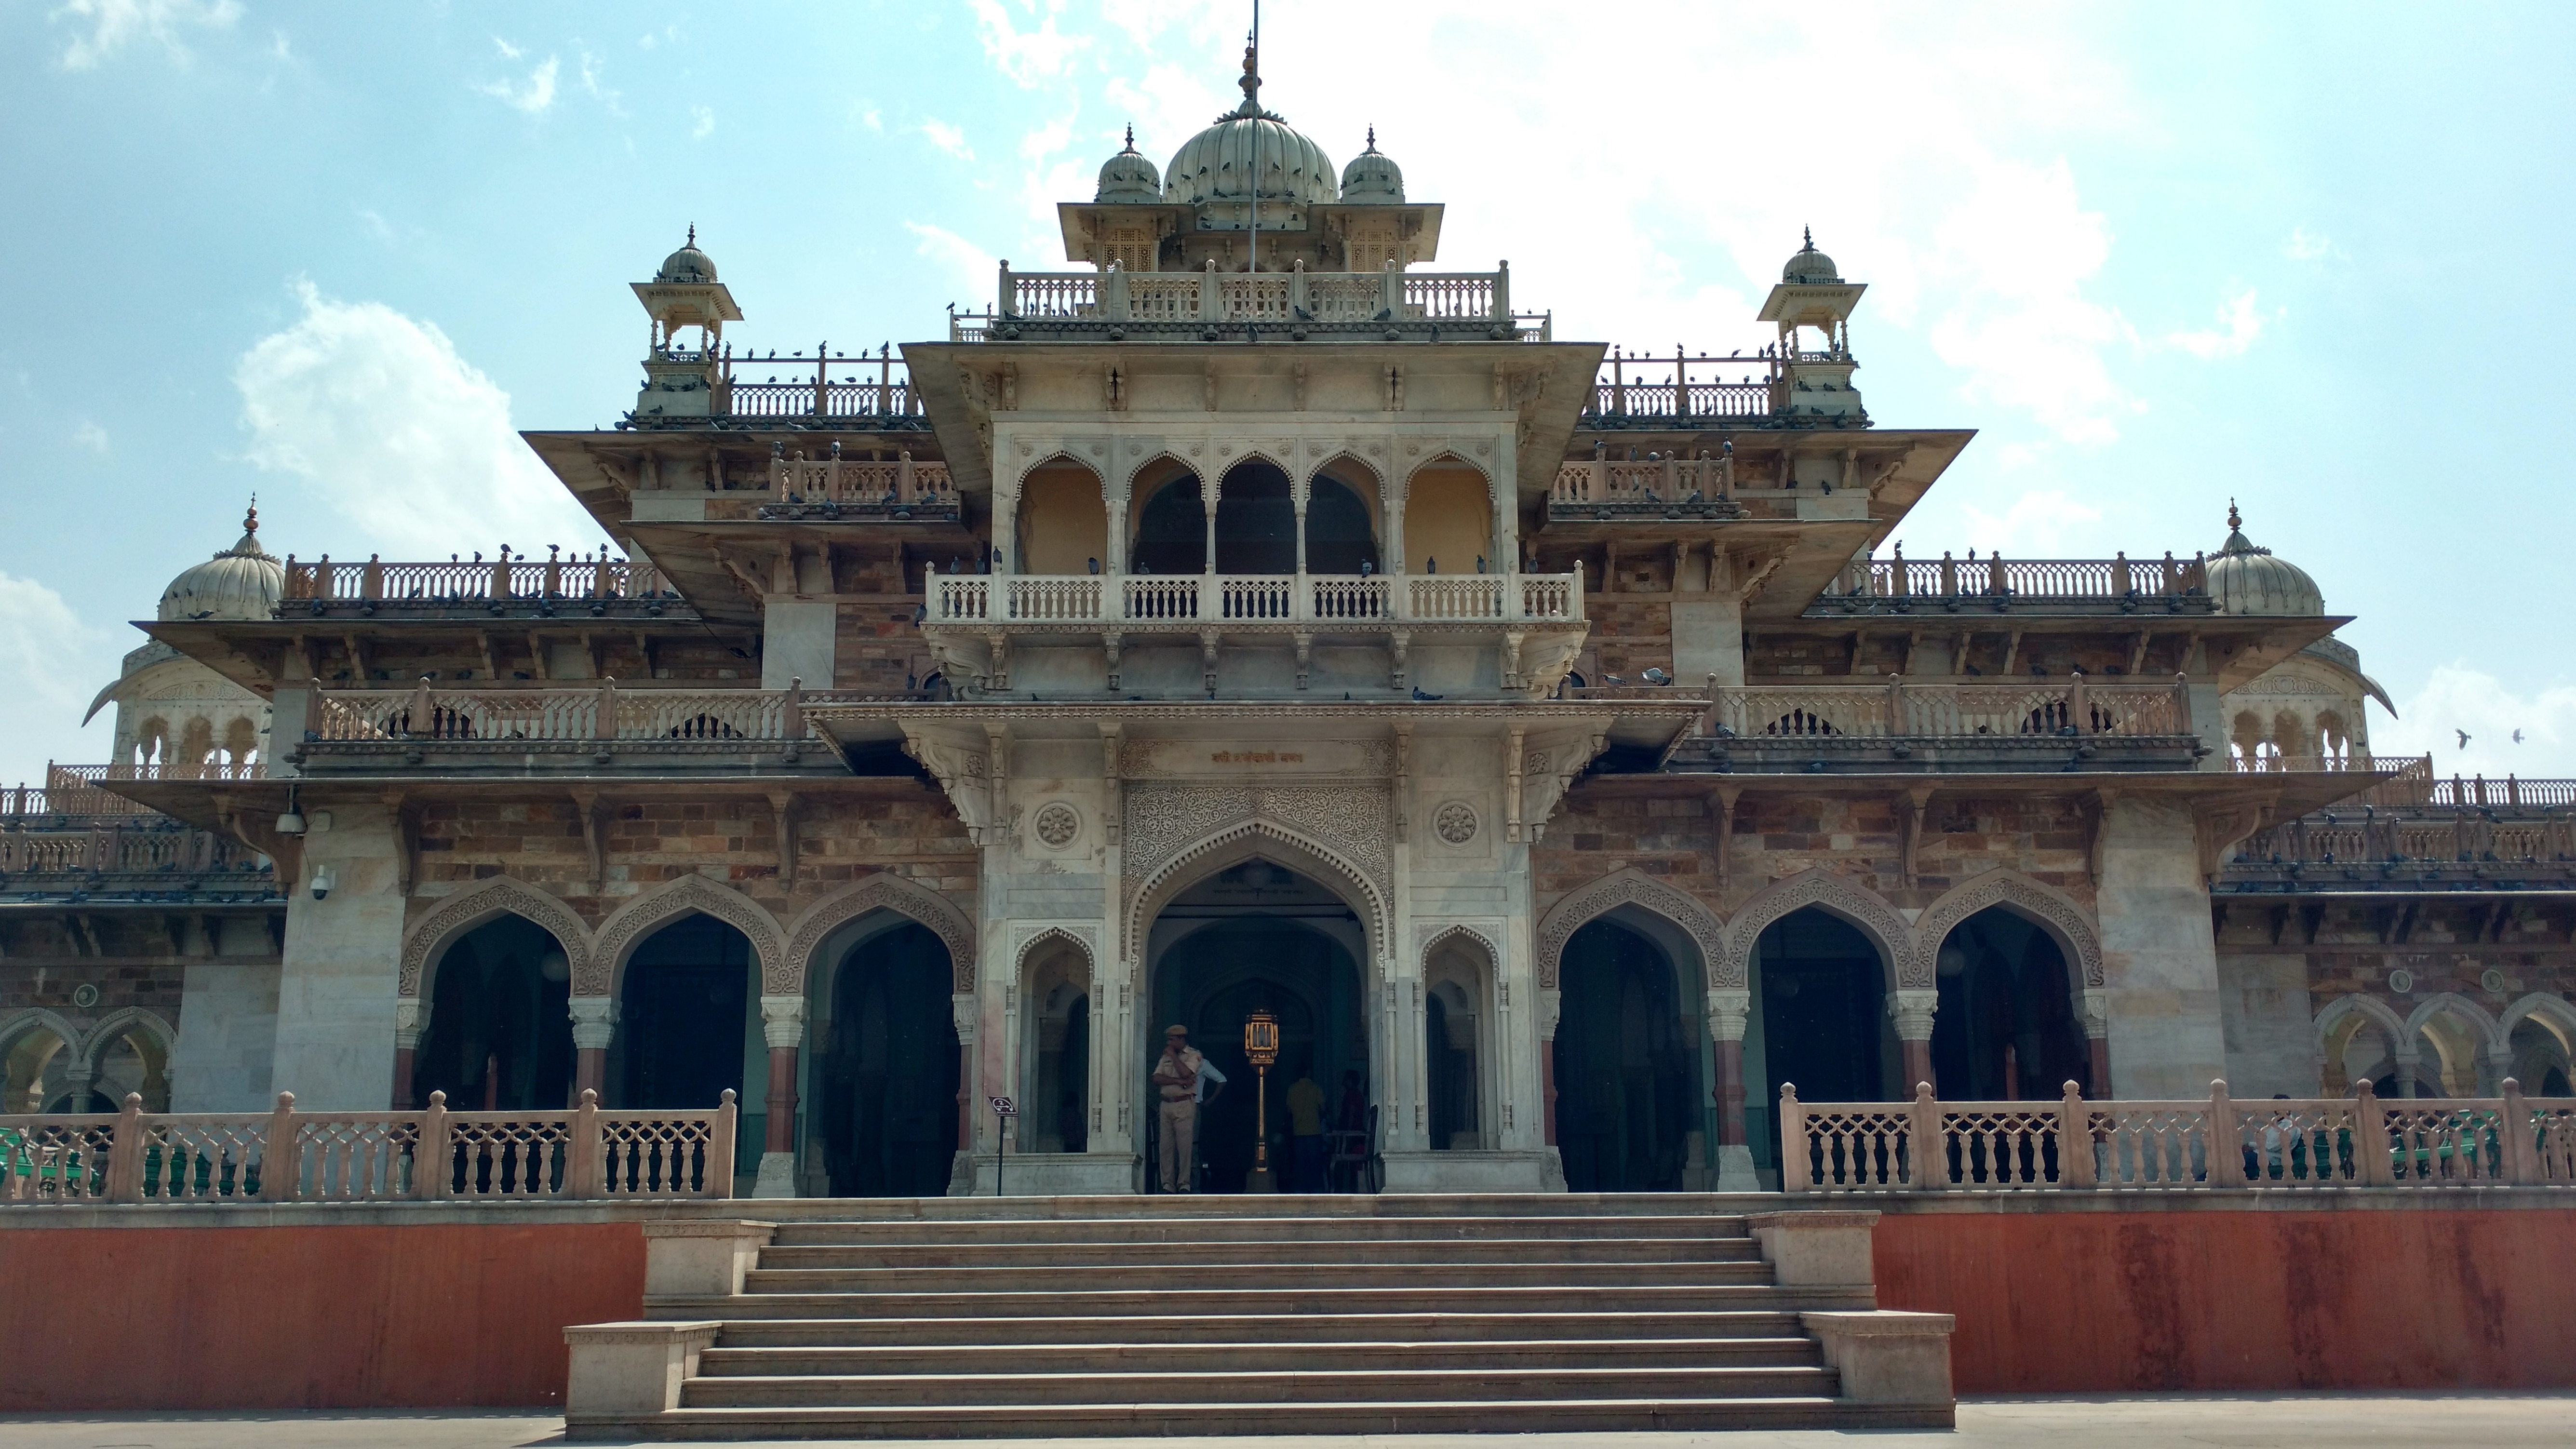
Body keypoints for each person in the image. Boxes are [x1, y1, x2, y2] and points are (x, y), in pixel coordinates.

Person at [1150, 1024, 1225, 1192]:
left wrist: (1174, 1059)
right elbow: (1157, 1078)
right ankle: (1167, 1184)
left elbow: (1186, 1073)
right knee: (1166, 1147)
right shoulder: (1166, 1057)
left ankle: (1184, 1183)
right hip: (1167, 1104)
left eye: (1172, 1040)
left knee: (1185, 1147)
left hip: (1185, 1104)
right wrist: (1178, 1082)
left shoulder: (1194, 1055)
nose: (1169, 1043)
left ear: (1181, 1040)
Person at [1285, 1067, 1327, 1193]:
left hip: (1298, 1131)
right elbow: (1323, 1109)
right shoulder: (1315, 1088)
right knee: (1314, 1163)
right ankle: (1315, 1189)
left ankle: (1300, 1189)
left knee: (1299, 1164)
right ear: (1309, 1073)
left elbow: (1288, 1110)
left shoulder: (1292, 1089)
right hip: (1314, 1131)